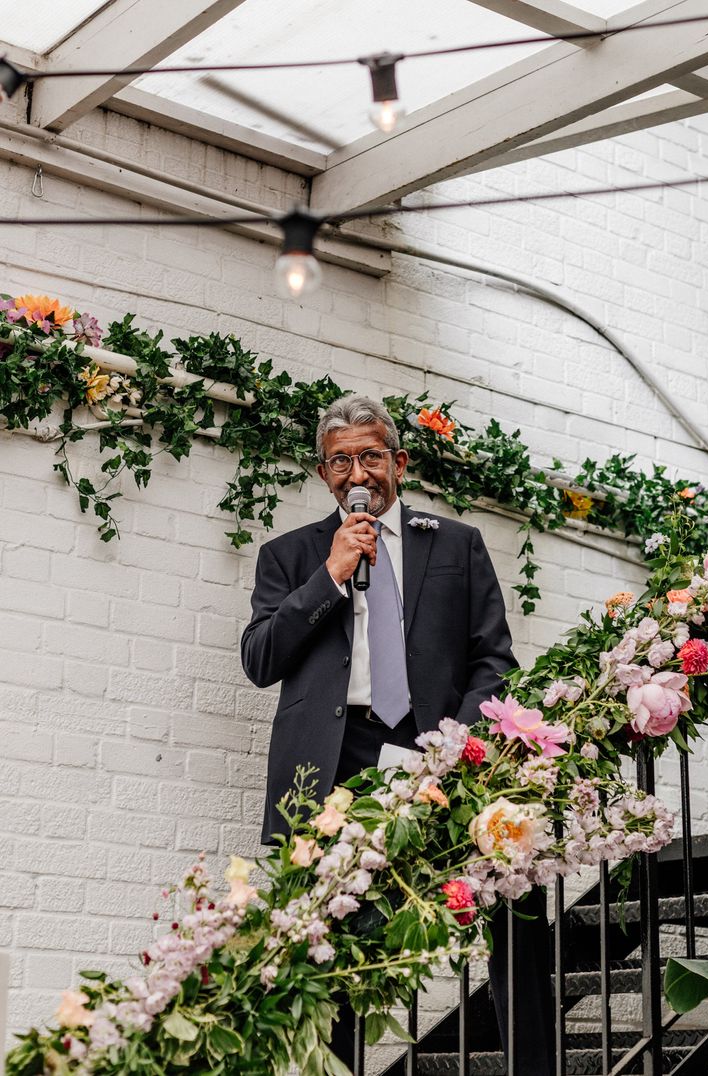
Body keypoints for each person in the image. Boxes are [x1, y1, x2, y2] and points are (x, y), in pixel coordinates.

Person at [241, 395, 554, 1075]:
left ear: (399, 463)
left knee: (510, 902)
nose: (360, 471)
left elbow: (493, 660)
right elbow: (260, 659)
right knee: (336, 943)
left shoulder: (457, 545)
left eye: (372, 455)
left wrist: (454, 747)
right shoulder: (291, 556)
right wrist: (331, 573)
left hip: (435, 751)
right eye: (343, 459)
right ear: (325, 473)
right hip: (333, 765)